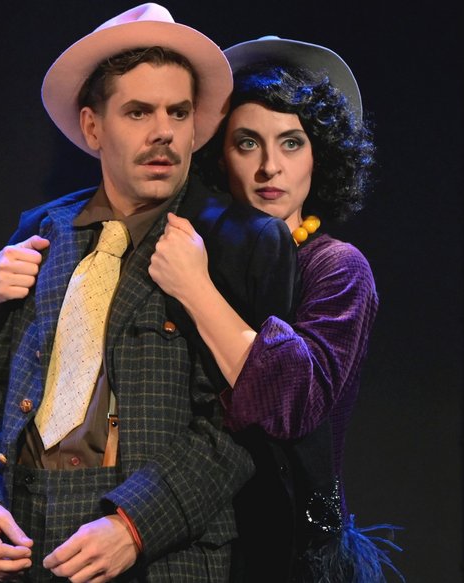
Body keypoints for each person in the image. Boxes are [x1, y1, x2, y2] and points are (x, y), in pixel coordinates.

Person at [0, 5, 298, 582]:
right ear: (92, 128)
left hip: (158, 556)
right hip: (20, 547)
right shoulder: (44, 232)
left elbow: (241, 426)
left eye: (178, 112)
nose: (163, 131)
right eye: (138, 112)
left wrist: (135, 524)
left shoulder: (238, 242)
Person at [148, 36, 404, 581]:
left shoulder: (337, 267)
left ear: (319, 156)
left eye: (291, 143)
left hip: (291, 547)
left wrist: (196, 290)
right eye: (248, 143)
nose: (270, 167)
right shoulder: (190, 247)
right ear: (220, 155)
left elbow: (292, 402)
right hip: (186, 534)